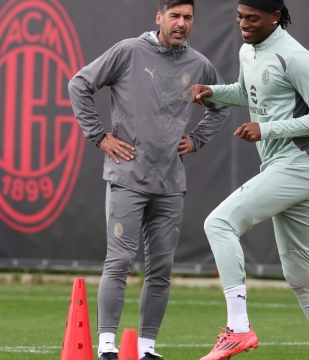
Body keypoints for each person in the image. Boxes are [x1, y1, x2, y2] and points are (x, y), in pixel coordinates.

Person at [68, 0, 230, 359]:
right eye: (174, 16)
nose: (181, 24)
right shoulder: (128, 52)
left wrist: (198, 138)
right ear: (159, 18)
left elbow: (221, 104)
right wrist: (99, 136)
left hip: (171, 184)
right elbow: (78, 84)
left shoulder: (199, 64)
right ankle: (107, 345)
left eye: (188, 18)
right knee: (119, 262)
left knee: (162, 269)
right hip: (127, 176)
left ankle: (146, 349)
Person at [190, 0, 309, 359]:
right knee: (301, 274)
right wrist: (214, 92)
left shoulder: (296, 57)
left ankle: (238, 329)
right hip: (284, 167)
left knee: (220, 223)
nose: (243, 24)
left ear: (275, 17)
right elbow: (248, 93)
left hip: (301, 165)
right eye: (240, 17)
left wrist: (267, 128)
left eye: (252, 18)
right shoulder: (247, 51)